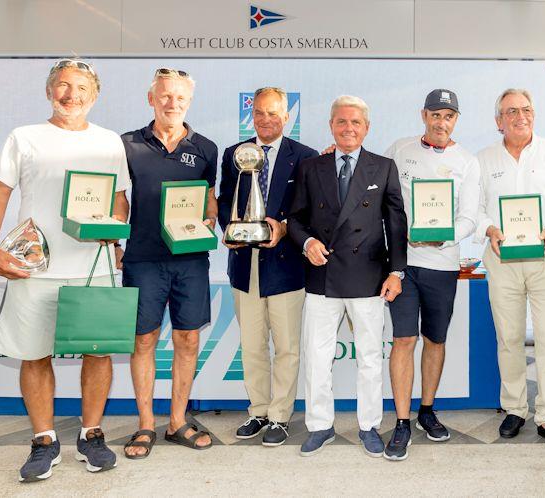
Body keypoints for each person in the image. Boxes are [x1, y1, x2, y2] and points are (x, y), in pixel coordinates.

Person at [0, 59, 129, 481]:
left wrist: (115, 242)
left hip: (94, 267)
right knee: (34, 354)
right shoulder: (24, 137)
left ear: (94, 96)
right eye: (62, 86)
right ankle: (44, 440)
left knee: (97, 352)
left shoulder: (109, 141)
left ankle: (91, 434)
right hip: (34, 266)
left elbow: (119, 201)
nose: (71, 94)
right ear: (49, 92)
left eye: (81, 88)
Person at [287, 95, 407, 458]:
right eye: (341, 122)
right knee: (317, 356)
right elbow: (294, 219)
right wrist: (306, 241)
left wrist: (396, 272)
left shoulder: (383, 167)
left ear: (367, 128)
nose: (348, 128)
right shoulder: (312, 167)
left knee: (370, 356)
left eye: (356, 122)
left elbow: (396, 223)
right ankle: (320, 425)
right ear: (331, 126)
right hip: (322, 277)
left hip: (368, 276)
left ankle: (369, 426)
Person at [118, 68, 218, 458]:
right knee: (143, 340)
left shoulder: (206, 148)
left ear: (188, 102)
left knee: (188, 339)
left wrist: (209, 220)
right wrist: (114, 242)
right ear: (151, 99)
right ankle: (145, 424)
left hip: (191, 259)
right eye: (164, 96)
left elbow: (209, 198)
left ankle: (177, 421)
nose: (171, 103)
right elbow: (119, 198)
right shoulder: (127, 144)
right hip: (142, 258)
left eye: (179, 97)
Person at [475, 88, 545, 449]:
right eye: (510, 111)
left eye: (525, 109)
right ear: (498, 121)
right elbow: (475, 208)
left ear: (533, 114)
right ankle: (515, 408)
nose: (520, 116)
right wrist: (489, 228)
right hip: (502, 261)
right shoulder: (484, 159)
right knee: (509, 337)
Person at [217, 87, 318, 446]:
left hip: (286, 265)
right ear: (251, 115)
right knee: (252, 345)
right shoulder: (234, 154)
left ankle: (279, 416)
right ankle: (258, 411)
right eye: (259, 113)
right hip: (244, 265)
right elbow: (226, 200)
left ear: (286, 116)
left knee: (287, 346)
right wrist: (227, 231)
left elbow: (309, 210)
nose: (265, 120)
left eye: (273, 113)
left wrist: (286, 226)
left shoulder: (305, 157)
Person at [382, 89, 479, 461]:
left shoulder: (467, 161)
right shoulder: (400, 149)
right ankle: (402, 421)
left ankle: (427, 409)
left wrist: (446, 234)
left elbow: (469, 216)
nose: (442, 122)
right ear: (423, 115)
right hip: (402, 264)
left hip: (443, 264)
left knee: (435, 340)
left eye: (449, 116)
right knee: (404, 340)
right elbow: (378, 190)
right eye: (435, 115)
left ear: (456, 119)